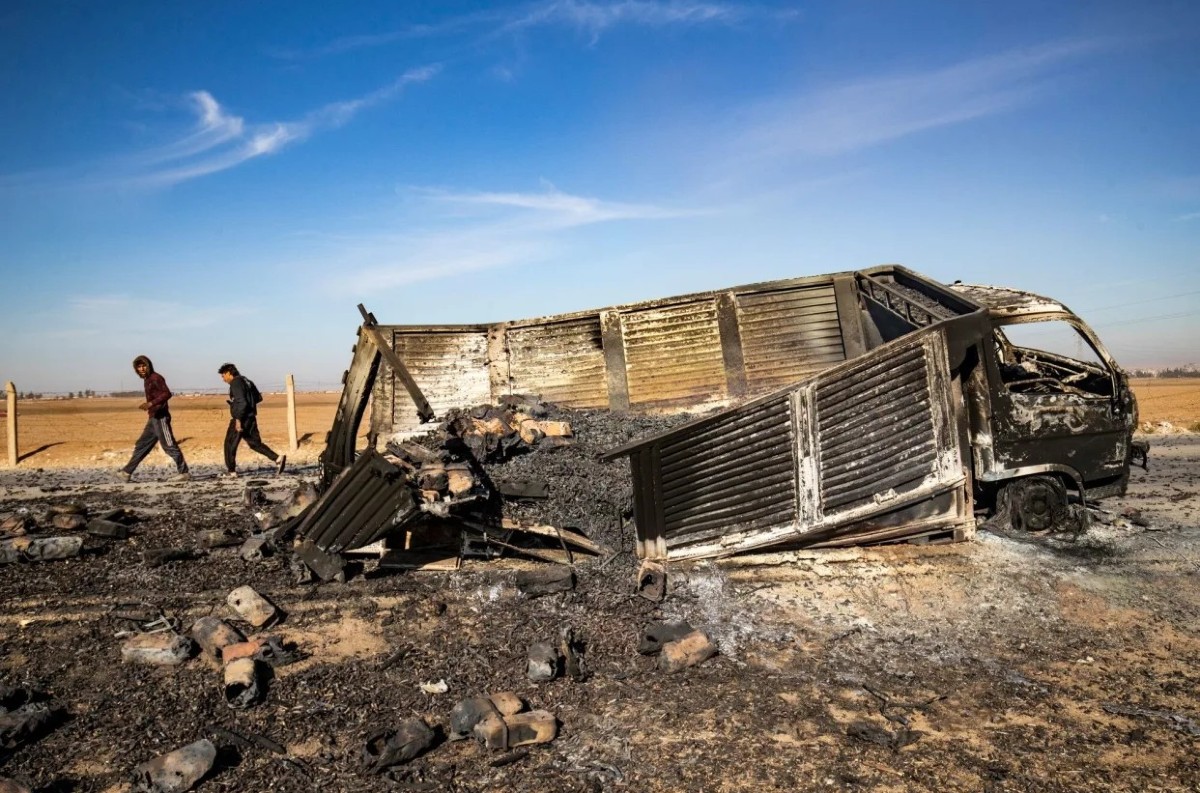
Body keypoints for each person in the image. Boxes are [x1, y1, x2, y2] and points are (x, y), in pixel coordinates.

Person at [120, 355, 190, 481]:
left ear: (148, 365)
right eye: (139, 367)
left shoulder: (156, 377)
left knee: (169, 445)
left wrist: (151, 404)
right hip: (153, 418)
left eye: (143, 366)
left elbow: (167, 393)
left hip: (161, 417)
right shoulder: (146, 380)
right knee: (142, 445)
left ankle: (184, 472)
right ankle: (126, 472)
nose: (141, 369)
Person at [219, 363, 285, 477]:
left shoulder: (236, 382)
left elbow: (242, 401)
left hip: (241, 418)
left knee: (230, 443)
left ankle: (231, 471)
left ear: (229, 373)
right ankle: (277, 458)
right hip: (250, 417)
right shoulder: (247, 381)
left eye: (223, 375)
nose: (223, 378)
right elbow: (258, 398)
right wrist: (248, 406)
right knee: (255, 443)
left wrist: (238, 418)